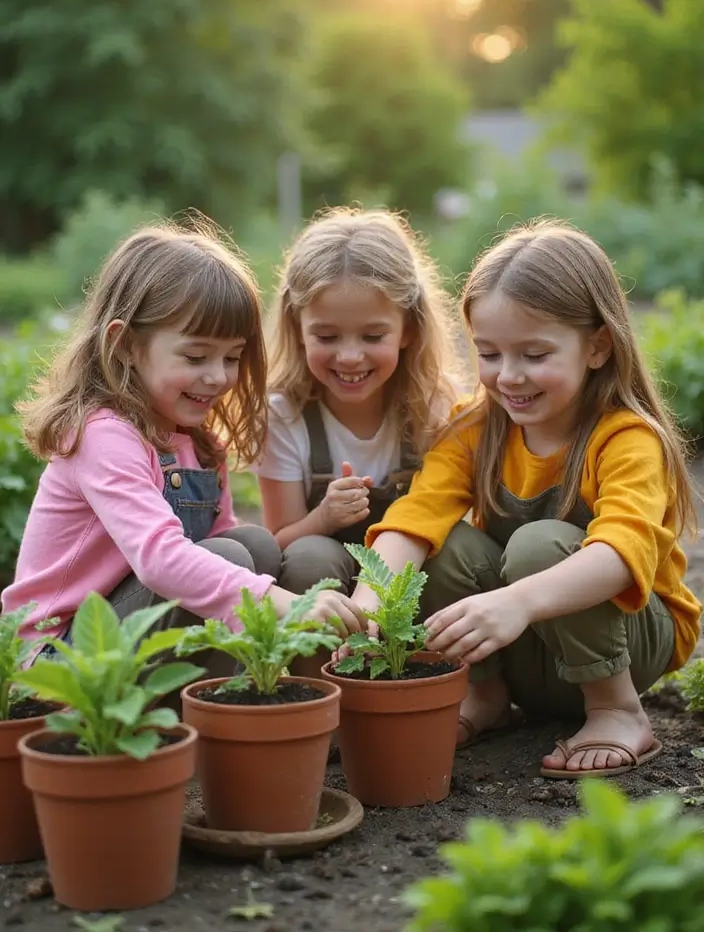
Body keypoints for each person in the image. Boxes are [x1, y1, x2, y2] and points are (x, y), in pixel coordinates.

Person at [351, 221, 702, 777]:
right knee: (442, 544)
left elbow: (622, 554)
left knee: (539, 545)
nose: (509, 376)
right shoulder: (475, 429)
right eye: (489, 353)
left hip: (630, 646)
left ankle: (616, 710)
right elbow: (417, 515)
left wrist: (517, 602)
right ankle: (485, 695)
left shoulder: (625, 439)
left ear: (597, 347)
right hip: (525, 653)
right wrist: (369, 603)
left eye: (535, 354)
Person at [3, 222, 364, 674]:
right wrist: (288, 604)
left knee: (251, 545)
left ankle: (220, 700)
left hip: (133, 630)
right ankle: (197, 708)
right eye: (195, 357)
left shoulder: (198, 442)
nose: (217, 377)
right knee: (229, 559)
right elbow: (160, 560)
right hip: (57, 657)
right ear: (125, 345)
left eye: (231, 357)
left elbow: (228, 547)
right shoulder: (103, 435)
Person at [252, 207, 461, 606]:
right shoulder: (283, 416)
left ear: (408, 329)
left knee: (456, 547)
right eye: (327, 336)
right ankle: (321, 651)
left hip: (411, 581)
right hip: (324, 591)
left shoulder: (435, 408)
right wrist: (324, 518)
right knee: (309, 556)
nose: (349, 357)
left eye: (373, 336)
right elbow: (276, 542)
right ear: (298, 328)